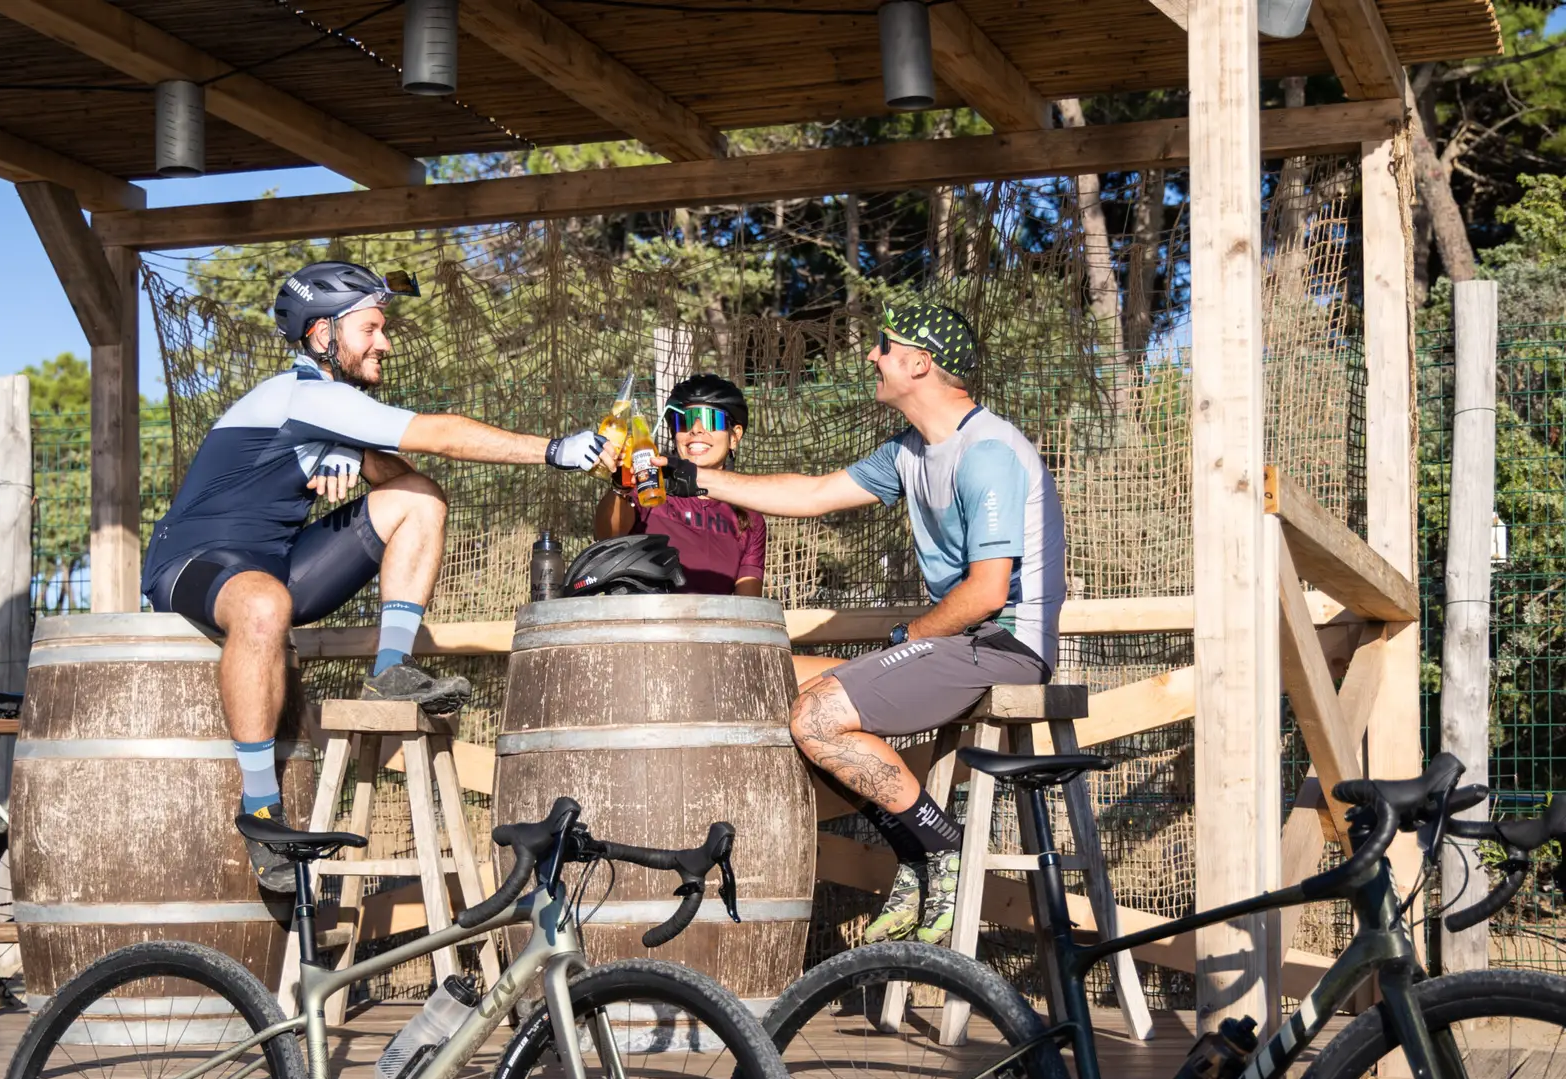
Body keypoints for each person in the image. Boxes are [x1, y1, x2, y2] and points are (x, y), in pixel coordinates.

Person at [142, 261, 615, 888]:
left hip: (277, 571)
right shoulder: (301, 396)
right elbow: (440, 435)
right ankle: (259, 810)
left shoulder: (332, 414)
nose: (385, 343)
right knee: (262, 606)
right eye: (370, 328)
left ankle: (390, 671)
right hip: (193, 563)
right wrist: (551, 449)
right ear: (321, 336)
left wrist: (353, 454)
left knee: (420, 499)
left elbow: (403, 480)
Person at [661, 299, 1063, 945]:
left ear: (919, 363)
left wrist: (913, 635)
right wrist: (697, 479)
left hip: (1004, 643)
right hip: (961, 643)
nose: (871, 356)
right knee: (774, 677)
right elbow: (813, 494)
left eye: (883, 346)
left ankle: (944, 851)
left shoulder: (986, 452)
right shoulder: (911, 451)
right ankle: (914, 852)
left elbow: (988, 593)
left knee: (818, 717)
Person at [592, 374, 766, 596]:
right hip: (643, 625)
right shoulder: (650, 486)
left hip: (715, 629)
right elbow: (607, 537)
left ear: (734, 436)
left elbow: (747, 605)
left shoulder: (750, 517)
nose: (695, 429)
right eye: (684, 420)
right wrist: (620, 485)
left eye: (710, 419)